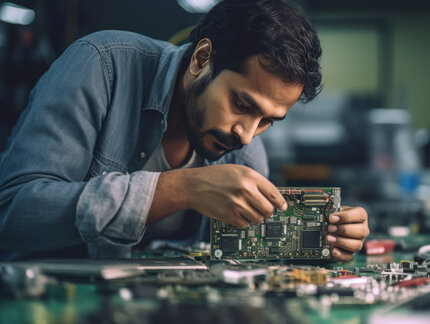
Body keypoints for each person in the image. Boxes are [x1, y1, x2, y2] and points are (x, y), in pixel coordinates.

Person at [0, 0, 369, 261]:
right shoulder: (101, 66)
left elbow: (245, 255)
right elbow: (13, 215)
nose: (246, 134)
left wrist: (323, 239)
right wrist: (178, 189)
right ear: (201, 59)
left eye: (268, 120)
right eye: (242, 105)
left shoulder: (244, 155)